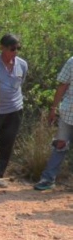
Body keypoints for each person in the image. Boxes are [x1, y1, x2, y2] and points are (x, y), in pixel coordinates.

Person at [0, 34, 28, 188]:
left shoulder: (22, 65)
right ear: (2, 48)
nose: (15, 52)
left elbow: (21, 82)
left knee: (7, 143)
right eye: (12, 49)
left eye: (18, 49)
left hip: (14, 110)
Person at [33, 56, 73, 191]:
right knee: (60, 146)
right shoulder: (72, 61)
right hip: (69, 113)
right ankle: (48, 179)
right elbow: (62, 85)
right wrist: (53, 108)